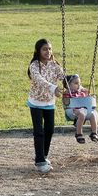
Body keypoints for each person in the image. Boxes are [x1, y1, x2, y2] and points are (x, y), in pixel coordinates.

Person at [26, 38, 65, 173]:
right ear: (38, 51)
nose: (48, 51)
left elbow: (64, 77)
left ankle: (43, 155)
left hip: (49, 102)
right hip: (36, 102)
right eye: (44, 49)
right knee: (39, 131)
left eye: (49, 49)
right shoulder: (35, 65)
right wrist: (53, 87)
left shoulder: (54, 65)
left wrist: (75, 84)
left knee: (50, 130)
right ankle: (40, 161)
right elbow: (39, 80)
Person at [62, 74, 98, 144]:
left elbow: (87, 101)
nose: (79, 85)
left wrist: (89, 95)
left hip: (84, 110)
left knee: (92, 114)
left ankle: (94, 133)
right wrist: (67, 97)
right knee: (81, 115)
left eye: (79, 83)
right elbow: (66, 103)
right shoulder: (67, 93)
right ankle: (79, 134)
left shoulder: (81, 92)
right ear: (68, 85)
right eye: (76, 83)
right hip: (72, 111)